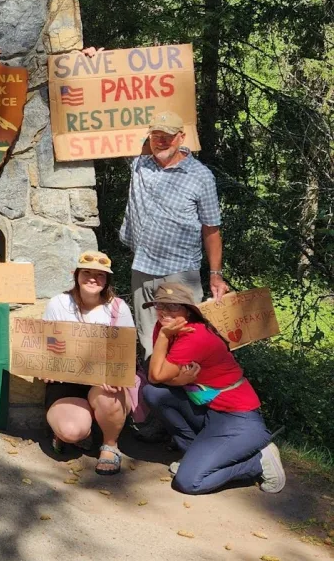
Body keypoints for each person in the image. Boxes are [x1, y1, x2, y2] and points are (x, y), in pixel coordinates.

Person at [141, 282, 285, 495]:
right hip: (209, 409)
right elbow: (157, 378)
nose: (165, 312)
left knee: (188, 482)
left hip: (238, 419)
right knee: (153, 393)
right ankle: (195, 456)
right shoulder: (166, 327)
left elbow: (156, 375)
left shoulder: (193, 335)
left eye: (173, 306)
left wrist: (163, 338)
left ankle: (258, 462)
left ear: (188, 311)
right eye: (160, 305)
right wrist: (177, 380)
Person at [119, 110, 228, 357]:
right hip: (142, 269)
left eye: (168, 136)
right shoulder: (140, 165)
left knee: (184, 340)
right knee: (148, 341)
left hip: (179, 273)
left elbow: (211, 229)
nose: (161, 141)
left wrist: (215, 275)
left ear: (181, 137)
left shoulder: (200, 176)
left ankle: (183, 383)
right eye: (156, 136)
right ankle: (154, 380)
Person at [42, 251, 135, 475]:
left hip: (103, 383)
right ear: (76, 275)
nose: (93, 278)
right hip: (66, 382)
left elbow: (126, 350)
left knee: (110, 397)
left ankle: (110, 445)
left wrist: (115, 374)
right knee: (71, 431)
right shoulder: (58, 303)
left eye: (100, 274)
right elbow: (46, 342)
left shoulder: (118, 307)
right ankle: (76, 431)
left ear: (107, 279)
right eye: (87, 272)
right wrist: (45, 366)